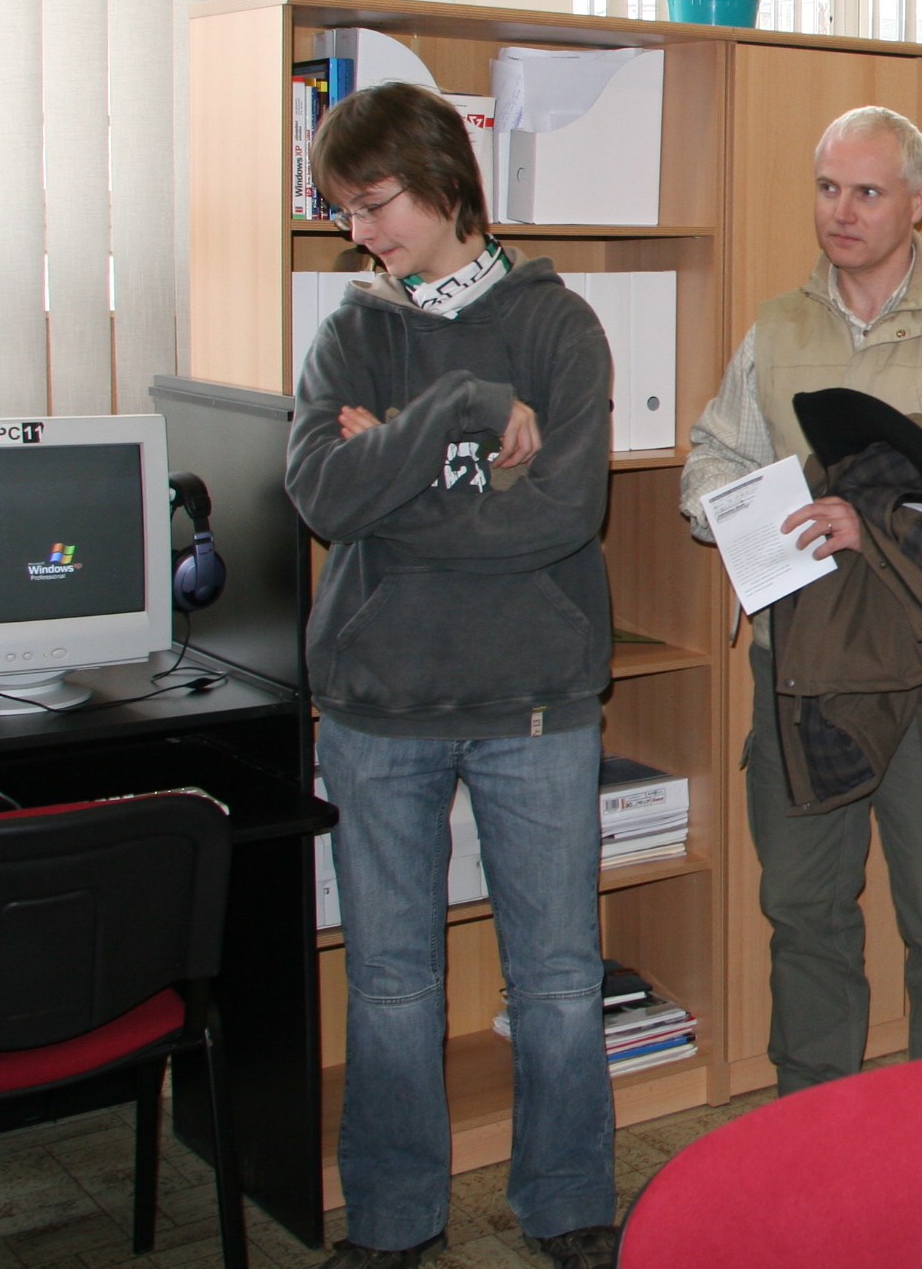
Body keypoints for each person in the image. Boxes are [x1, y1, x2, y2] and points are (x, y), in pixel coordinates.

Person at [286, 83, 620, 1269]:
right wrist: (464, 412)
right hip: (378, 703)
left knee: (557, 977)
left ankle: (570, 1203)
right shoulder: (352, 331)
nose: (358, 231)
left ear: (443, 183)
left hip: (535, 698)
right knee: (388, 983)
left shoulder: (559, 324)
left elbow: (563, 514)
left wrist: (395, 480)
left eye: (374, 203)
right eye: (343, 209)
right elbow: (320, 495)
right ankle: (391, 1222)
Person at [679, 106, 922, 1094]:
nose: (841, 212)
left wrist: (881, 525)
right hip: (803, 678)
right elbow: (713, 455)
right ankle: (815, 1133)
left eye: (867, 191)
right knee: (803, 913)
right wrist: (744, 514)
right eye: (827, 188)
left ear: (918, 201)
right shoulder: (775, 329)